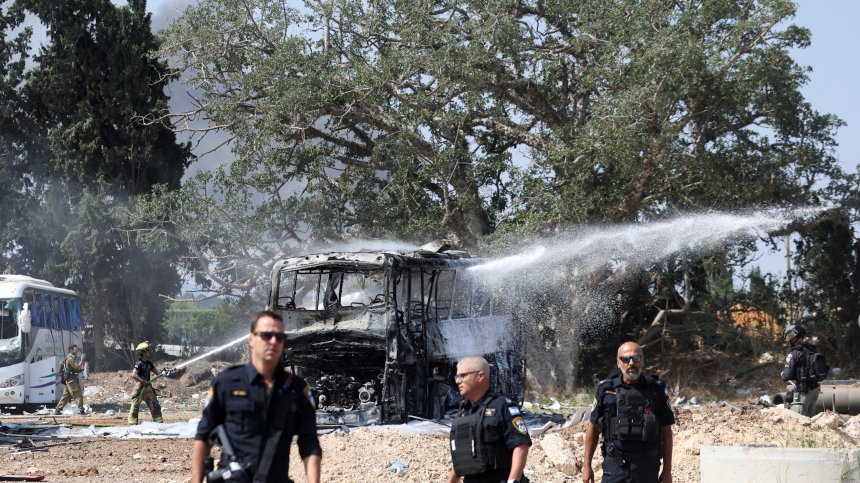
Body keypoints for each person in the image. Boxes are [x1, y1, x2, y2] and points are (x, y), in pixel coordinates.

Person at [191, 310, 322, 483]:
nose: (273, 341)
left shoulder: (296, 388)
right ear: (251, 339)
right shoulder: (226, 383)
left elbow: (309, 442)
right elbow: (203, 437)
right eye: (267, 335)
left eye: (280, 336)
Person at [583, 342, 674, 483]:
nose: (631, 363)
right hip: (615, 466)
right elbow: (593, 427)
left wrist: (667, 471)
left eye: (636, 358)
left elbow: (667, 432)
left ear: (642, 361)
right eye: (626, 359)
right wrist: (586, 465)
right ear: (618, 362)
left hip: (647, 468)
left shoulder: (657, 390)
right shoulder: (606, 390)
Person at [448, 355, 531, 483]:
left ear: (481, 376)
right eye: (457, 377)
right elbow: (462, 456)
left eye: (463, 376)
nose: (458, 381)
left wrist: (513, 481)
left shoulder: (503, 405)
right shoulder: (463, 413)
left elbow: (520, 445)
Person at [780, 324, 822, 417]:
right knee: (811, 419)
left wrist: (782, 374)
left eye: (790, 338)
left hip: (803, 391)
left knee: (798, 421)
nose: (789, 340)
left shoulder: (794, 353)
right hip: (815, 388)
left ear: (794, 337)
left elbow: (786, 376)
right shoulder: (811, 348)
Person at [127, 341, 165, 424]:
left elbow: (158, 374)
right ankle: (132, 424)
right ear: (143, 352)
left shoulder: (149, 364)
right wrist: (142, 381)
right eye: (148, 350)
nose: (150, 352)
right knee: (135, 407)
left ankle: (159, 423)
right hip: (140, 388)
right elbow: (134, 375)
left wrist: (165, 373)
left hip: (148, 388)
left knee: (155, 406)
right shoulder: (139, 364)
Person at [56, 344, 86, 414]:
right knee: (78, 394)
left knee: (66, 396)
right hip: (71, 380)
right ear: (71, 350)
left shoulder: (71, 358)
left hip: (70, 380)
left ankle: (57, 410)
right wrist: (82, 360)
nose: (77, 351)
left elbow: (76, 369)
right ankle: (81, 410)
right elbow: (77, 367)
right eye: (75, 350)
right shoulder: (70, 359)